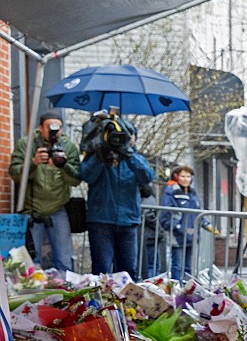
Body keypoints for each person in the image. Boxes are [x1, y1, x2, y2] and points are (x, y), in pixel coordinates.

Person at [9, 110, 81, 273]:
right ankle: (32, 295)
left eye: (58, 127)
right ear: (40, 128)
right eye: (50, 127)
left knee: (64, 260)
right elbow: (14, 174)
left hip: (58, 208)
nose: (55, 131)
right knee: (30, 263)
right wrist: (33, 163)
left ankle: (65, 295)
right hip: (32, 210)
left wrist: (63, 166)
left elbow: (76, 179)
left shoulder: (68, 147)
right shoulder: (26, 144)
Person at [81, 121, 154, 275]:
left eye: (128, 135)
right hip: (101, 221)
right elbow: (86, 176)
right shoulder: (97, 155)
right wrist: (102, 155)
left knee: (128, 271)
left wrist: (128, 154)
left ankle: (126, 299)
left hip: (128, 221)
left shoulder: (135, 158)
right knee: (101, 271)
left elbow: (147, 177)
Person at [160, 165, 214, 282]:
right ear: (176, 177)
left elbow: (198, 212)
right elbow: (166, 213)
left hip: (192, 235)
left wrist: (207, 224)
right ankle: (176, 289)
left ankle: (186, 291)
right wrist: (175, 226)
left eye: (188, 176)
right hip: (178, 235)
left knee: (189, 267)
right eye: (183, 176)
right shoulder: (171, 191)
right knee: (177, 265)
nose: (186, 179)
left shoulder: (193, 193)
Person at [139, 182, 166, 279]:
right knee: (153, 265)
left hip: (149, 235)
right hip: (150, 235)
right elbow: (148, 215)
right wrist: (159, 228)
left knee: (152, 265)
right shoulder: (148, 197)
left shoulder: (147, 196)